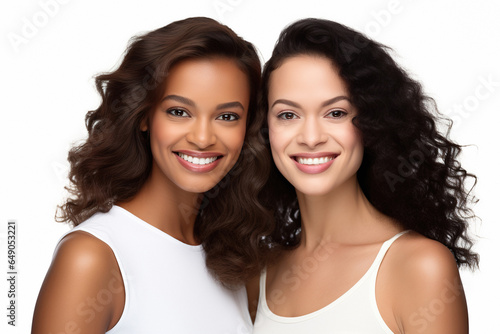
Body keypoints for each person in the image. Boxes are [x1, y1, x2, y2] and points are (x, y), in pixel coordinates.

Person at [32, 17, 271, 333]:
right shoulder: (91, 258)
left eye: (227, 116)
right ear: (144, 116)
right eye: (179, 112)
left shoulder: (236, 258)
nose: (202, 138)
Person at [250, 18, 478, 333]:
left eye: (336, 113)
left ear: (371, 123)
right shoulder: (260, 273)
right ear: (265, 129)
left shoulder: (419, 267)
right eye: (288, 115)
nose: (311, 137)